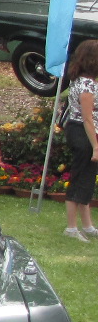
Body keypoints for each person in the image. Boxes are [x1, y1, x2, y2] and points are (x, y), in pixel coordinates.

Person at [59, 38, 98, 241]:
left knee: (88, 179)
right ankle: (72, 227)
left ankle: (88, 225)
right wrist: (96, 146)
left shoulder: (87, 81)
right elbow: (87, 118)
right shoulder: (86, 85)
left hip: (86, 132)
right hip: (82, 133)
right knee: (80, 176)